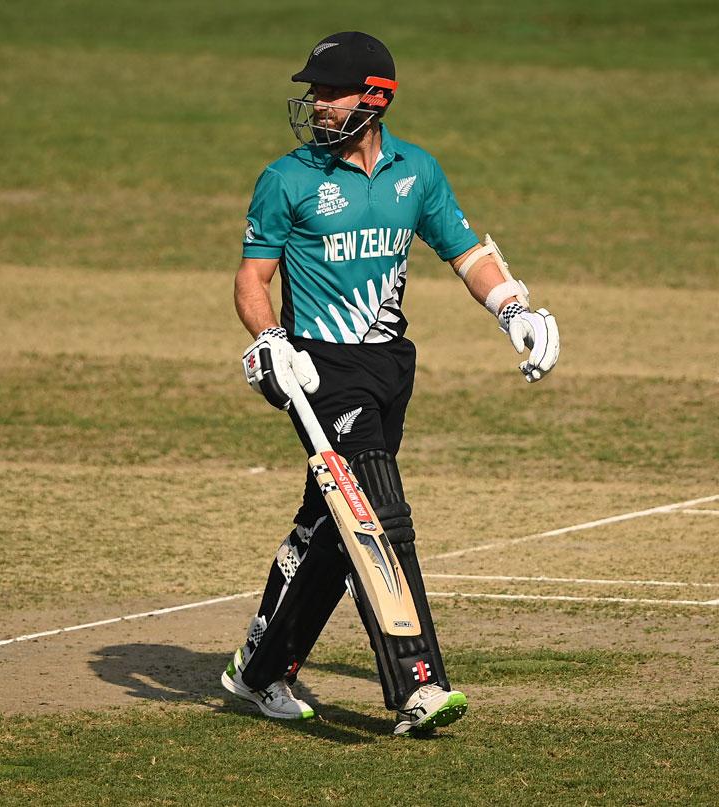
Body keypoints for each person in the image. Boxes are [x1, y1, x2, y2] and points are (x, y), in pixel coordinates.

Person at [222, 31, 560, 737]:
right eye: (312, 92)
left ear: (374, 98)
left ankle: (259, 668)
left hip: (388, 368)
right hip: (318, 368)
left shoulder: (417, 172)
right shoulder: (286, 179)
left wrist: (514, 310)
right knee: (378, 511)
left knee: (333, 525)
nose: (315, 104)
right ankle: (417, 682)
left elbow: (465, 251)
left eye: (329, 91)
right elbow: (253, 279)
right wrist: (270, 339)